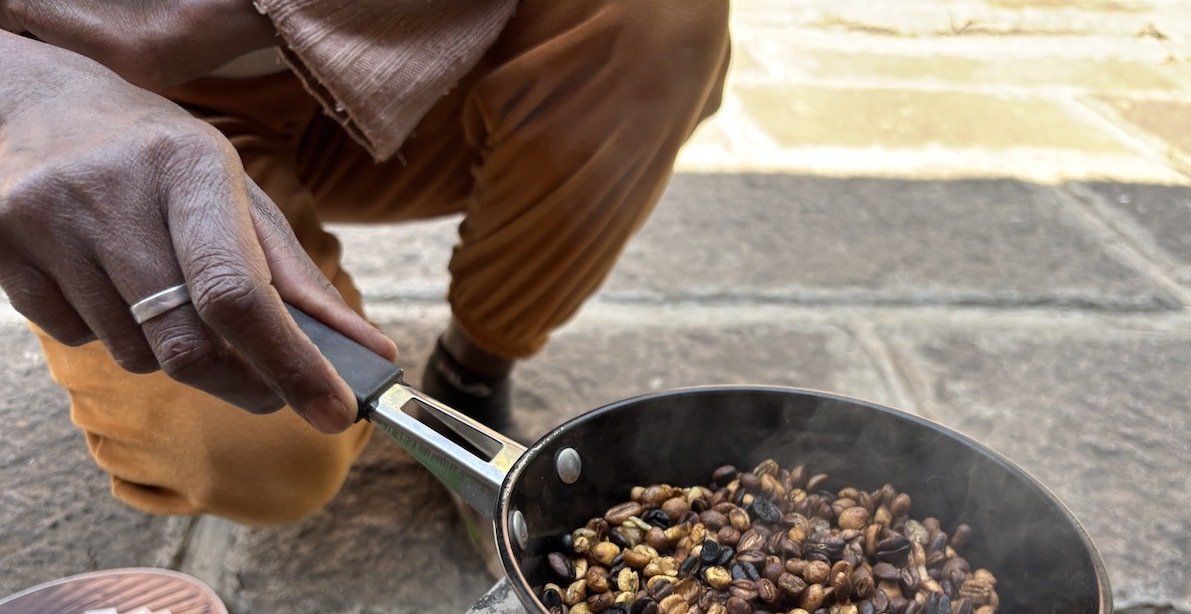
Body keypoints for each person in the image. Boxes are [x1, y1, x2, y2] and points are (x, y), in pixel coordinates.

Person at [0, 0, 730, 527]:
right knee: (270, 448)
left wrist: (268, 11)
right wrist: (19, 89)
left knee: (660, 20)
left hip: (411, 47)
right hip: (97, 106)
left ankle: (473, 370)